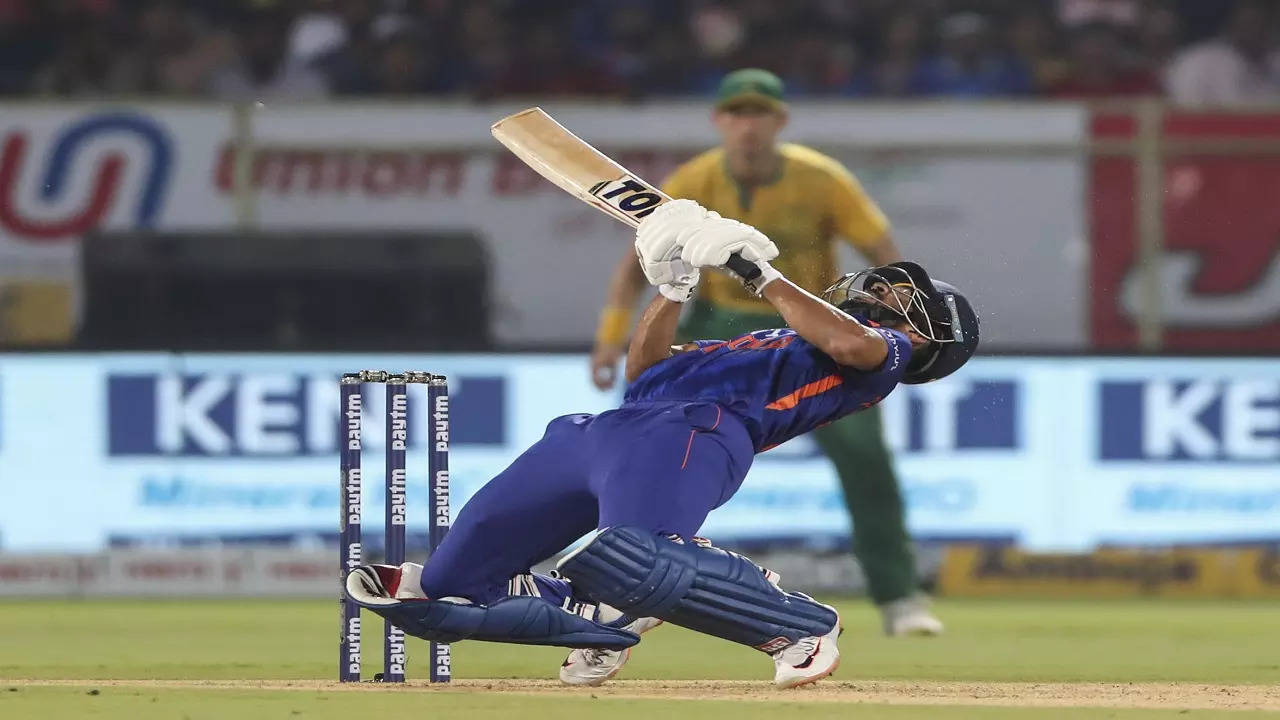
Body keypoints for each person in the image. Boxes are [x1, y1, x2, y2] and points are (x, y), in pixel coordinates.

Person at [346, 200, 980, 689]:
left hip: (694, 431)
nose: (890, 291)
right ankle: (601, 613)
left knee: (633, 557)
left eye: (907, 298)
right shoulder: (776, 340)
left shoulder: (885, 354)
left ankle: (800, 627)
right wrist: (673, 286)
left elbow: (844, 341)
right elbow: (644, 371)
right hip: (604, 431)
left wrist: (757, 273)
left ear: (931, 334)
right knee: (443, 589)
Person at [590, 68, 944, 639]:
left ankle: (900, 597)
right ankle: (615, 575)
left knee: (866, 461)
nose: (747, 126)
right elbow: (636, 265)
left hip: (813, 327)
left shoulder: (822, 179)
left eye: (758, 114)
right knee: (642, 438)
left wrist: (896, 320)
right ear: (719, 121)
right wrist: (610, 339)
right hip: (719, 323)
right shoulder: (695, 177)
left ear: (779, 121)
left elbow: (882, 252)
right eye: (736, 113)